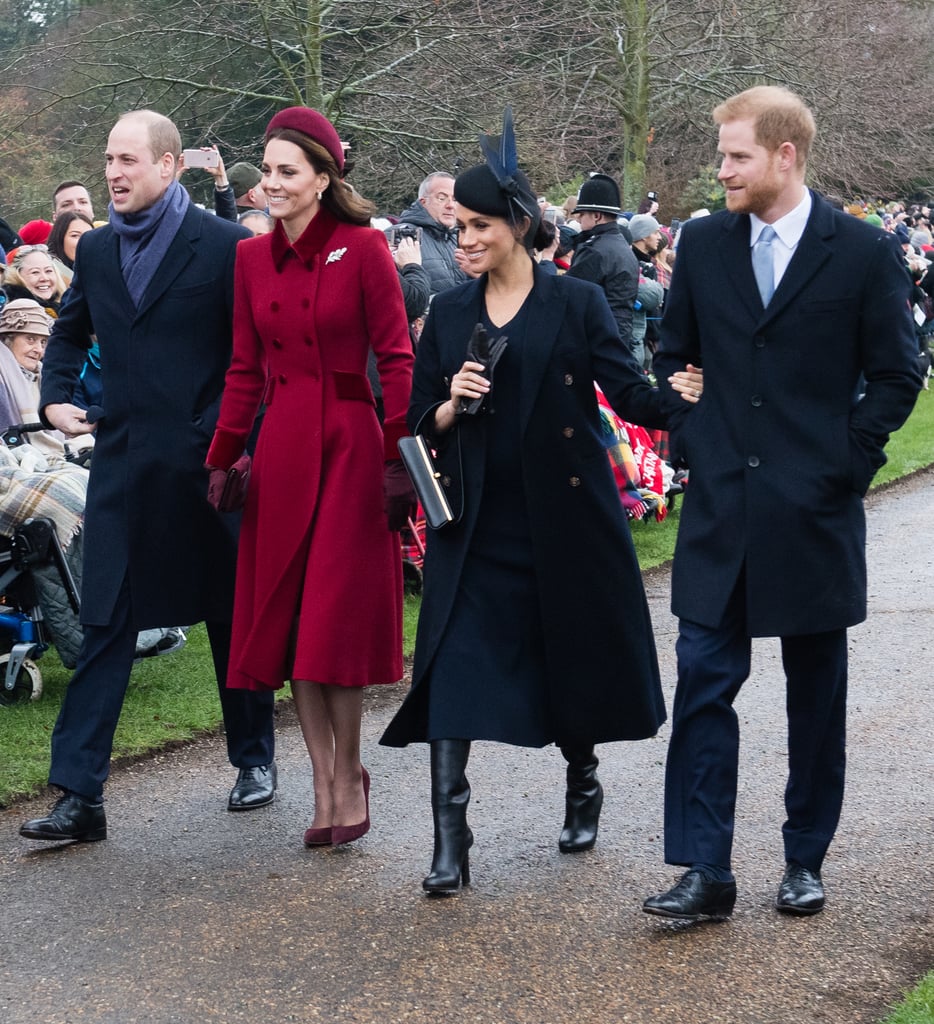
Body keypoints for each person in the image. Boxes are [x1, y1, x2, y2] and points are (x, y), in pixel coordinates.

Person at [379, 109, 702, 895]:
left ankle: (581, 777)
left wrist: (682, 393)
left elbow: (626, 392)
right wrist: (451, 404)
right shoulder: (450, 312)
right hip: (476, 520)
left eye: (479, 226)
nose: (463, 241)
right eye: (458, 227)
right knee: (450, 669)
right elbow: (414, 422)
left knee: (571, 665)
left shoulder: (574, 302)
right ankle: (449, 843)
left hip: (563, 519)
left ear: (519, 225)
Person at [644, 86, 921, 924]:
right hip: (721, 510)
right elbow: (673, 354)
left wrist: (843, 463)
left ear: (784, 156)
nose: (721, 169)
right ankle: (705, 868)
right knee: (702, 683)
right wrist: (688, 426)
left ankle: (805, 858)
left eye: (735, 156)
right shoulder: (701, 243)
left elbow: (900, 375)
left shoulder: (864, 254)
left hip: (812, 512)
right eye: (721, 155)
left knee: (815, 692)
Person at [19, 109, 277, 845]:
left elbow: (251, 357)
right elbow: (69, 331)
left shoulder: (226, 244)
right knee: (104, 621)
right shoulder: (95, 251)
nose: (113, 172)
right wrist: (58, 393)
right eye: (107, 159)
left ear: (168, 167)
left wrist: (223, 438)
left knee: (230, 614)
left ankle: (254, 758)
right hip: (124, 467)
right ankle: (79, 796)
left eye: (128, 159)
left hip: (209, 466)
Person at [205, 107, 415, 849]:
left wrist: (397, 457)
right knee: (295, 622)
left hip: (352, 449)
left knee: (333, 620)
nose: (271, 184)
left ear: (325, 179)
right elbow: (242, 367)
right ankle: (322, 780)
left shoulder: (363, 250)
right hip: (284, 448)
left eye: (287, 171)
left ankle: (349, 772)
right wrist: (224, 456)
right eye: (266, 171)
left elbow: (396, 359)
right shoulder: (249, 260)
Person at [564, 173, 640, 355]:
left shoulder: (594, 251)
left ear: (597, 216)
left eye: (582, 214)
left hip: (596, 340)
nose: (578, 219)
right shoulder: (621, 244)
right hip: (620, 335)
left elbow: (570, 298)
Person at [397, 172, 469, 295]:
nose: (450, 205)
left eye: (455, 199)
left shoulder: (464, 237)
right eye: (442, 198)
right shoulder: (400, 235)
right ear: (423, 202)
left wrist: (479, 275)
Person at [2, 244, 68, 317]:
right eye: (35, 272)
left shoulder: (63, 309)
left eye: (48, 271)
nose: (44, 278)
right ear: (16, 276)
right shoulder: (16, 313)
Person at [46, 211, 95, 284]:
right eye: (75, 235)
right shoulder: (47, 276)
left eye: (90, 235)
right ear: (60, 238)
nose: (84, 241)